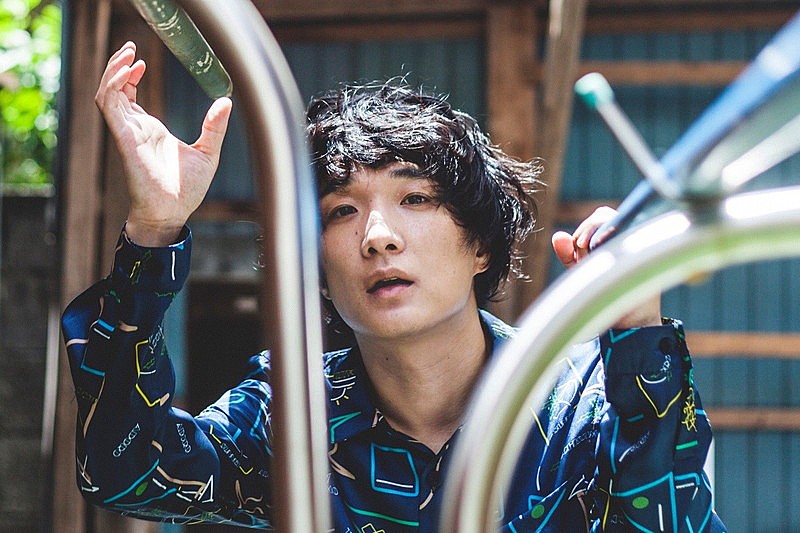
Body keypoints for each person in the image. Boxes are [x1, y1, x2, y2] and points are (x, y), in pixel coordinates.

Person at [62, 41, 725, 531]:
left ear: (481, 245)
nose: (377, 236)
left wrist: (637, 329)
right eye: (341, 211)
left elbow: (676, 521)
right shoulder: (291, 414)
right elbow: (124, 471)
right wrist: (155, 228)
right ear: (318, 268)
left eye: (415, 199)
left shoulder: (582, 400)